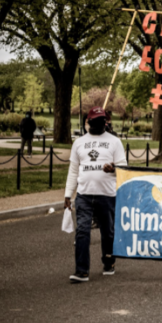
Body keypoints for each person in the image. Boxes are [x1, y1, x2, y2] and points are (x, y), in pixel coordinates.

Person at [64, 107, 128, 283]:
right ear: (88, 122)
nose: (100, 124)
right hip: (84, 194)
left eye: (103, 121)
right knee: (82, 231)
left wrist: (114, 168)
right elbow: (73, 170)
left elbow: (124, 167)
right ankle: (81, 271)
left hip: (107, 195)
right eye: (96, 121)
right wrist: (68, 194)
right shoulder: (79, 143)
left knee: (108, 233)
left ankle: (109, 262)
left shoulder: (114, 142)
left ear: (106, 122)